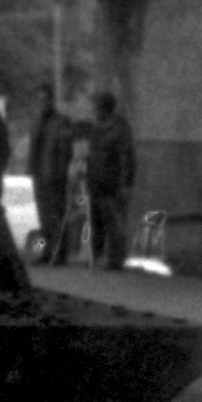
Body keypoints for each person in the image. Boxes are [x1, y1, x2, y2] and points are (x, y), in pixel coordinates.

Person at [86, 91, 138, 272]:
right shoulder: (96, 128)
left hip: (112, 184)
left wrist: (126, 185)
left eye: (96, 107)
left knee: (114, 223)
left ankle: (115, 260)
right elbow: (92, 154)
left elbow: (128, 159)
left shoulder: (119, 129)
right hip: (95, 182)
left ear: (105, 109)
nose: (94, 111)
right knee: (96, 221)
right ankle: (96, 255)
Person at [30, 93, 75, 266]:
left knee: (56, 216)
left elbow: (66, 150)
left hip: (55, 176)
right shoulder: (37, 121)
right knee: (43, 218)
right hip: (39, 175)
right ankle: (45, 252)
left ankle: (59, 253)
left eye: (45, 99)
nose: (43, 103)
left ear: (52, 101)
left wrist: (61, 172)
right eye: (40, 100)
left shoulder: (62, 122)